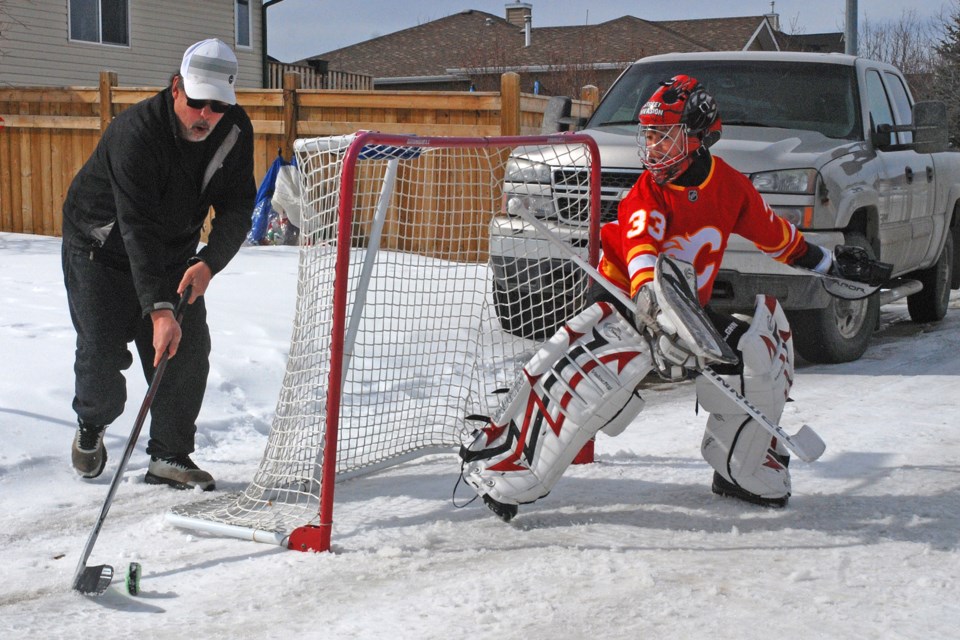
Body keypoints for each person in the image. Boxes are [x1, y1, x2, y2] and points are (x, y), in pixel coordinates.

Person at [461, 74, 868, 520]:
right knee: (595, 380)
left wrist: (830, 264)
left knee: (761, 355)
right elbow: (641, 261)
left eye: (663, 135)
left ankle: (743, 469)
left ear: (698, 136)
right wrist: (655, 313)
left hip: (686, 309)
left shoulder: (731, 187)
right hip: (624, 299)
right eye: (649, 135)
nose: (651, 146)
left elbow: (778, 239)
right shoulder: (646, 195)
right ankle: (508, 469)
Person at [62, 38, 256, 490]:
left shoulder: (233, 131)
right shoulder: (135, 134)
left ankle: (169, 456)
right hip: (100, 248)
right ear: (175, 89)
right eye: (196, 102)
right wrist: (160, 310)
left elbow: (238, 205)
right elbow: (135, 227)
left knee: (186, 354)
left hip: (171, 249)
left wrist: (209, 264)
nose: (206, 114)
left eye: (218, 105)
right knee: (102, 353)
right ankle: (92, 423)